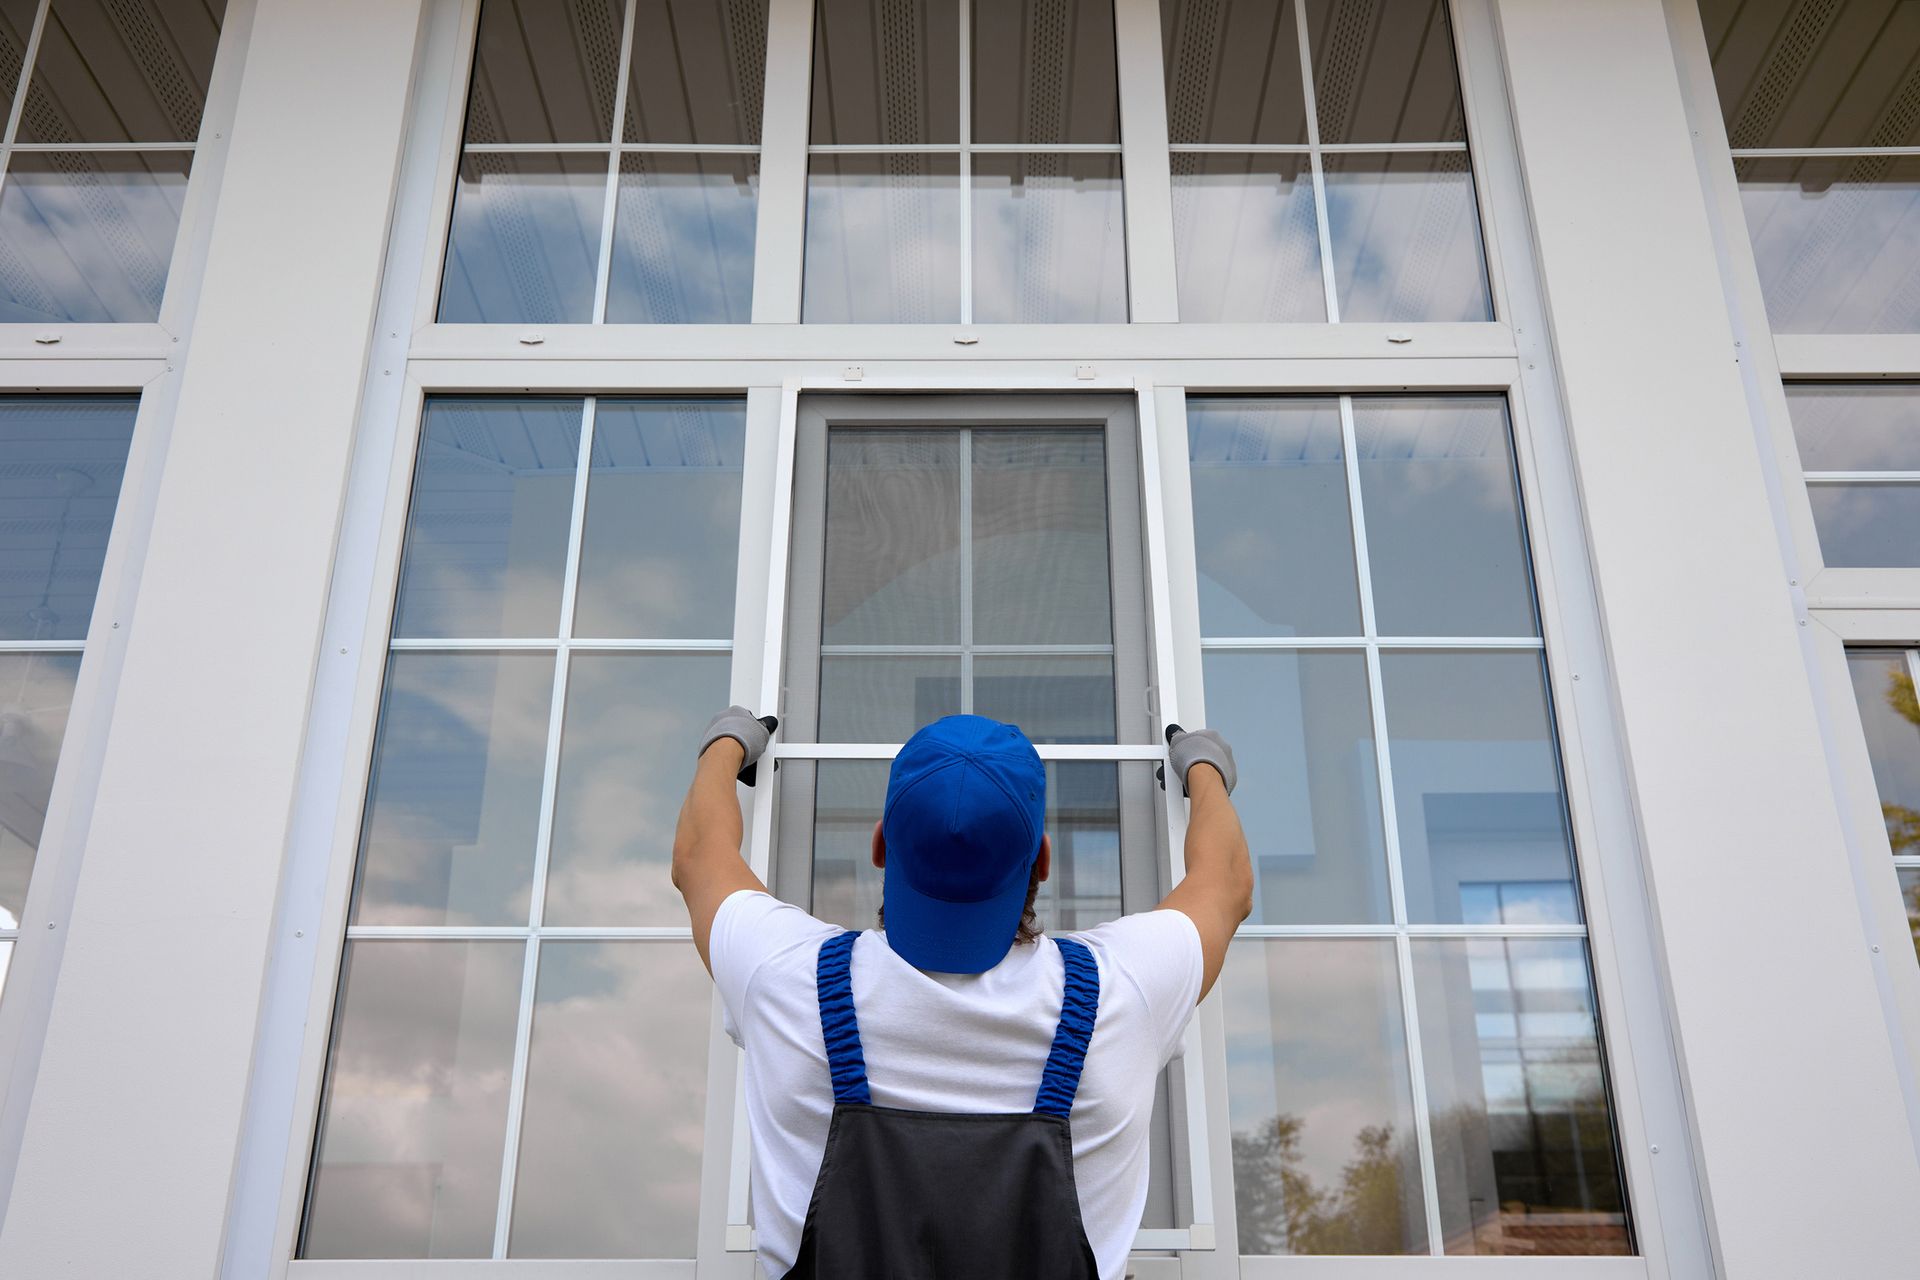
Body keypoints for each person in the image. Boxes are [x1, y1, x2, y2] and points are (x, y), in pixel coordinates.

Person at [672, 709, 1251, 1280]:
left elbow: (700, 857)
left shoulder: (785, 976)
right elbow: (1225, 883)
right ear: (1042, 861)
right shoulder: (1121, 993)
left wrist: (727, 743)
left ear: (880, 845)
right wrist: (1202, 768)